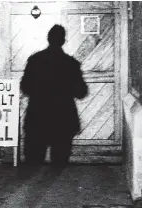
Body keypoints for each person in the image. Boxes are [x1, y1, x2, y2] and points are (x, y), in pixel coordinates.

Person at [21, 24, 88, 167]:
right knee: (59, 164)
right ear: (63, 41)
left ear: (48, 39)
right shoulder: (71, 64)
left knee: (33, 163)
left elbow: (25, 87)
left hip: (38, 117)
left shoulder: (35, 60)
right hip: (63, 118)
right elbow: (81, 92)